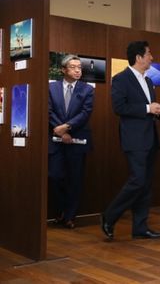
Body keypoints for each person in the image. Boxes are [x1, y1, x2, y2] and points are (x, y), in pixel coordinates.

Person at [101, 41, 160, 240]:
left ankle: (140, 227)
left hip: (150, 138)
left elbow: (148, 108)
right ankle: (109, 217)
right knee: (137, 180)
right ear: (139, 57)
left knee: (145, 183)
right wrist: (147, 109)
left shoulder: (148, 81)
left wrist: (155, 111)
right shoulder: (121, 79)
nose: (151, 57)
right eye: (149, 54)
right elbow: (119, 108)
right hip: (134, 139)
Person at [48, 54, 94, 229]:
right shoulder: (51, 88)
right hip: (56, 139)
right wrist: (60, 130)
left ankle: (70, 216)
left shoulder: (87, 89)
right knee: (55, 176)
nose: (77, 70)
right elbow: (48, 111)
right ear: (63, 70)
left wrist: (66, 127)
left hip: (78, 139)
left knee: (75, 179)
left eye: (79, 67)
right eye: (73, 67)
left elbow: (85, 113)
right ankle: (59, 211)